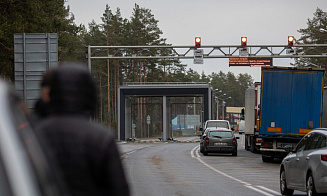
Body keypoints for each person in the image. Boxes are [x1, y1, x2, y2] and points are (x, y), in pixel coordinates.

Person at [34, 65, 130, 196]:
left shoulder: (35, 133)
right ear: (89, 93)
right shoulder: (101, 137)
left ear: (54, 91)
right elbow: (119, 189)